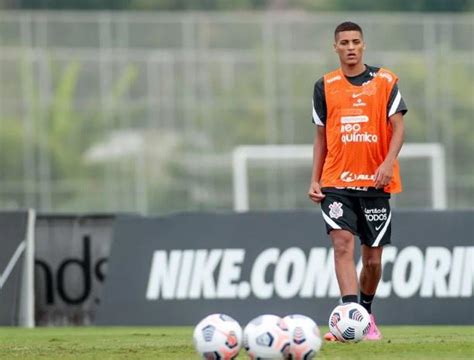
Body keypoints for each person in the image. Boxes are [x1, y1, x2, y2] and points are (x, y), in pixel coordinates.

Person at [308, 21, 407, 341]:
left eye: (355, 41)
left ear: (363, 45)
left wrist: (388, 163)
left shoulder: (385, 81)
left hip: (375, 183)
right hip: (336, 181)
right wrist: (315, 179)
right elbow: (321, 136)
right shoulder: (324, 85)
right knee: (341, 244)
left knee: (373, 260)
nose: (350, 47)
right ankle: (348, 321)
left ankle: (365, 312)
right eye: (344, 42)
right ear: (334, 47)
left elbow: (398, 126)